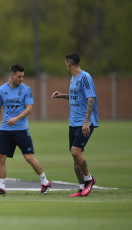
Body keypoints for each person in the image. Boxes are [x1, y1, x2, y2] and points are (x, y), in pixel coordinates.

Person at [0, 64, 51, 195]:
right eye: (19, 76)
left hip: (21, 129)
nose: (22, 79)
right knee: (0, 157)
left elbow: (29, 108)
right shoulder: (1, 90)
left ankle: (45, 182)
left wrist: (16, 119)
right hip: (6, 129)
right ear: (11, 76)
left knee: (29, 157)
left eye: (23, 76)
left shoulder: (26, 90)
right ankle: (1, 188)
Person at [52, 52, 98, 197]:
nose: (65, 65)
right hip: (73, 123)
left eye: (65, 63)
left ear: (69, 64)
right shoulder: (73, 78)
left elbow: (91, 99)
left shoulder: (85, 77)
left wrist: (86, 121)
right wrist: (62, 96)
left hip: (84, 123)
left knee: (75, 152)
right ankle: (81, 188)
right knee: (75, 156)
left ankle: (89, 180)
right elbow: (76, 97)